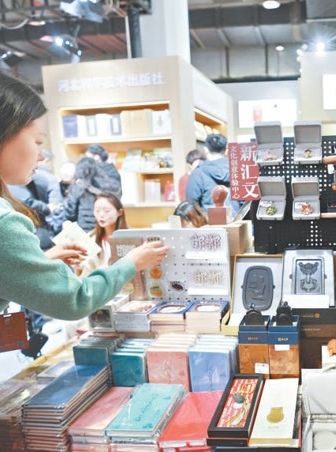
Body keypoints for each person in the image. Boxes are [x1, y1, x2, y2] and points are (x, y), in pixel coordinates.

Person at [0, 72, 169, 321]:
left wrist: (40, 261)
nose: (42, 156)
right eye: (37, 142)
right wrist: (132, 262)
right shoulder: (5, 223)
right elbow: (75, 299)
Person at [186, 133, 241, 214]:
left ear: (206, 150)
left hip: (209, 221)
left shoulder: (198, 173)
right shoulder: (238, 170)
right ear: (226, 150)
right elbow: (245, 201)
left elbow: (191, 204)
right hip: (236, 219)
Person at [64, 157, 120, 232]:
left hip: (84, 227)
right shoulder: (105, 183)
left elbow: (70, 212)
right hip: (104, 225)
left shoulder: (77, 185)